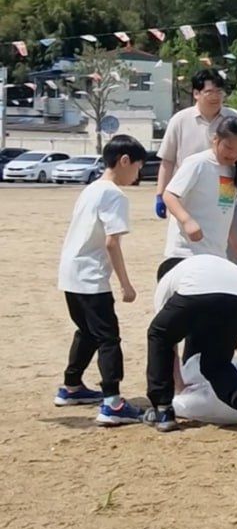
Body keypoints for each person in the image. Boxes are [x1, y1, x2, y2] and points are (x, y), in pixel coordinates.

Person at [56, 134, 147, 427]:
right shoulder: (114, 194)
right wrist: (125, 284)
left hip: (70, 273)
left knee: (87, 331)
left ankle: (71, 387)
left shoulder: (92, 188)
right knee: (108, 337)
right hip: (91, 277)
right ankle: (113, 402)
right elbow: (111, 243)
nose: (137, 174)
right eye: (137, 167)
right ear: (124, 161)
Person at [145, 254, 237, 436]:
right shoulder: (201, 263)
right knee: (216, 363)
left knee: (157, 334)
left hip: (199, 290)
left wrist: (178, 387)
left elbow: (167, 341)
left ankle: (163, 411)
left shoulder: (167, 280)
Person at [156, 67, 237, 264]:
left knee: (234, 250)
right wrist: (160, 195)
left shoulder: (235, 118)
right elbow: (168, 160)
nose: (215, 97)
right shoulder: (180, 120)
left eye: (219, 92)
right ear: (196, 93)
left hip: (227, 191)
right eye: (209, 92)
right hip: (189, 194)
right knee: (192, 245)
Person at [160, 115, 237, 279]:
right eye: (228, 147)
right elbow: (169, 195)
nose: (233, 154)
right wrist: (187, 220)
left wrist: (235, 240)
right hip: (186, 252)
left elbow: (224, 206)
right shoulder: (198, 163)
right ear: (215, 139)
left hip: (215, 254)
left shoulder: (232, 170)